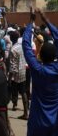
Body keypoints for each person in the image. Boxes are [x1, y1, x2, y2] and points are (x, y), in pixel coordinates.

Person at [22, 8, 58, 136]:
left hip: (37, 122)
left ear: (40, 56)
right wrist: (46, 20)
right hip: (55, 123)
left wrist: (31, 22)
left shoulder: (38, 70)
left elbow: (26, 45)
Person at [9, 30, 29, 119]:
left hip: (16, 73)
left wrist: (9, 77)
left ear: (11, 38)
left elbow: (12, 65)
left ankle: (14, 105)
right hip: (23, 71)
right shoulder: (21, 47)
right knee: (23, 91)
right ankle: (26, 112)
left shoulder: (13, 49)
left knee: (14, 90)